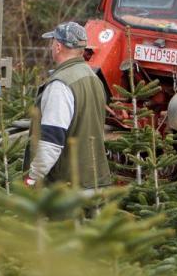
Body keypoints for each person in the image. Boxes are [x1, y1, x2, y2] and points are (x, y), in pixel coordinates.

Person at [23, 22, 113, 189]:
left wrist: (32, 178)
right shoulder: (93, 78)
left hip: (67, 189)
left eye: (52, 42)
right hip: (95, 181)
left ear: (58, 46)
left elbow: (52, 142)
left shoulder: (60, 85)